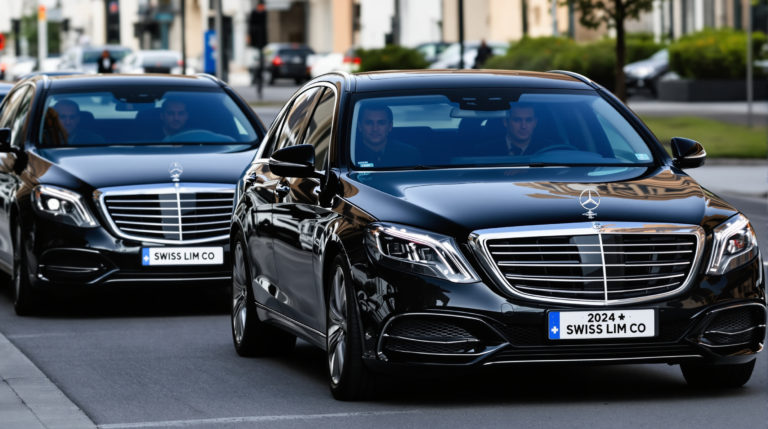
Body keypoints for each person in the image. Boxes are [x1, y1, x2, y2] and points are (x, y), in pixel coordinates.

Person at [354, 103, 419, 168]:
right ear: (360, 126)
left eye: (381, 123)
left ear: (390, 126)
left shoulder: (409, 154)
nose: (375, 129)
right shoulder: (349, 154)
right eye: (369, 123)